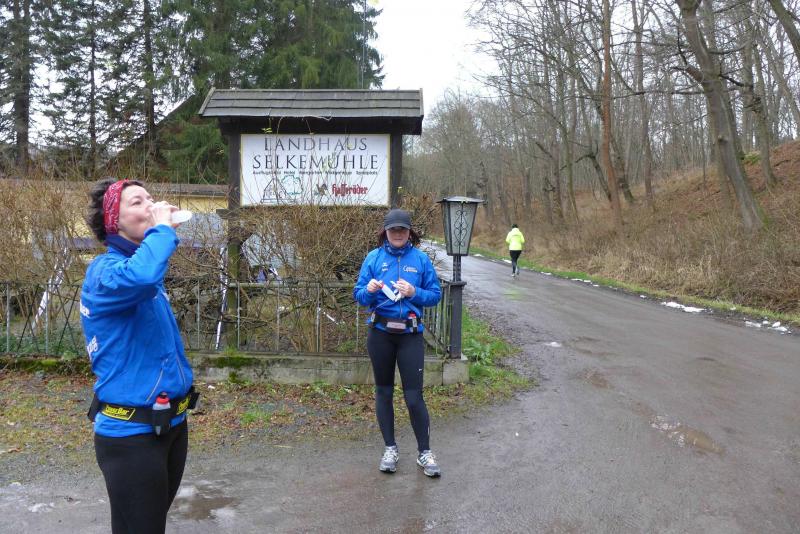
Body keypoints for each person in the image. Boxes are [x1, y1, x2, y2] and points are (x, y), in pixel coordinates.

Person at [80, 178, 197, 533]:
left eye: (150, 198)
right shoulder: (104, 272)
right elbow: (142, 276)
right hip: (131, 435)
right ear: (113, 220)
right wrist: (161, 230)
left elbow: (146, 272)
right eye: (136, 202)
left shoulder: (143, 270)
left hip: (171, 427)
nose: (150, 205)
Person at [353, 208, 443, 477]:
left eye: (402, 229)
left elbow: (435, 295)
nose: (398, 234)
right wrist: (369, 291)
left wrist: (414, 292)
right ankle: (390, 449)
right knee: (384, 392)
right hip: (380, 334)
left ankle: (424, 453)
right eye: (393, 230)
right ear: (386, 232)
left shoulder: (421, 260)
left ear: (409, 232)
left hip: (410, 336)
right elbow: (359, 295)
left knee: (414, 396)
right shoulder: (373, 258)